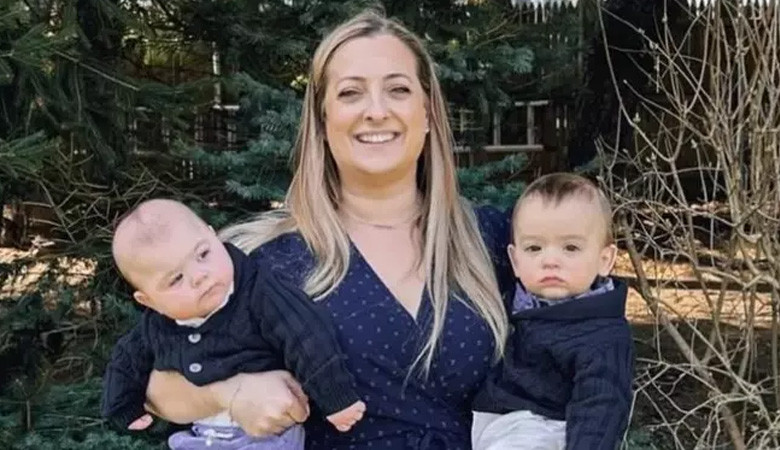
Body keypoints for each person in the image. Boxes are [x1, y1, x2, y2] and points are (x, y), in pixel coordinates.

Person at [141, 8, 516, 450]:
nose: (376, 111)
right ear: (322, 120)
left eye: (397, 89)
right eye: (351, 93)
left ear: (428, 112)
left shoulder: (496, 241)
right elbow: (149, 379)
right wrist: (231, 394)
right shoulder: (263, 259)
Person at [102, 199, 366, 449]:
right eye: (176, 279)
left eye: (203, 254)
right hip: (202, 437)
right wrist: (123, 406)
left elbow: (306, 334)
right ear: (148, 301)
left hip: (270, 438)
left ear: (214, 236)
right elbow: (126, 361)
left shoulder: (259, 293)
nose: (199, 276)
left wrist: (335, 398)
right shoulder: (156, 326)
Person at [471, 173, 635, 450]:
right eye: (534, 247)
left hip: (549, 432)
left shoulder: (603, 335)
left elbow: (601, 410)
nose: (550, 261)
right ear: (515, 261)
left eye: (570, 247)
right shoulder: (510, 304)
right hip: (491, 427)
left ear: (604, 260)